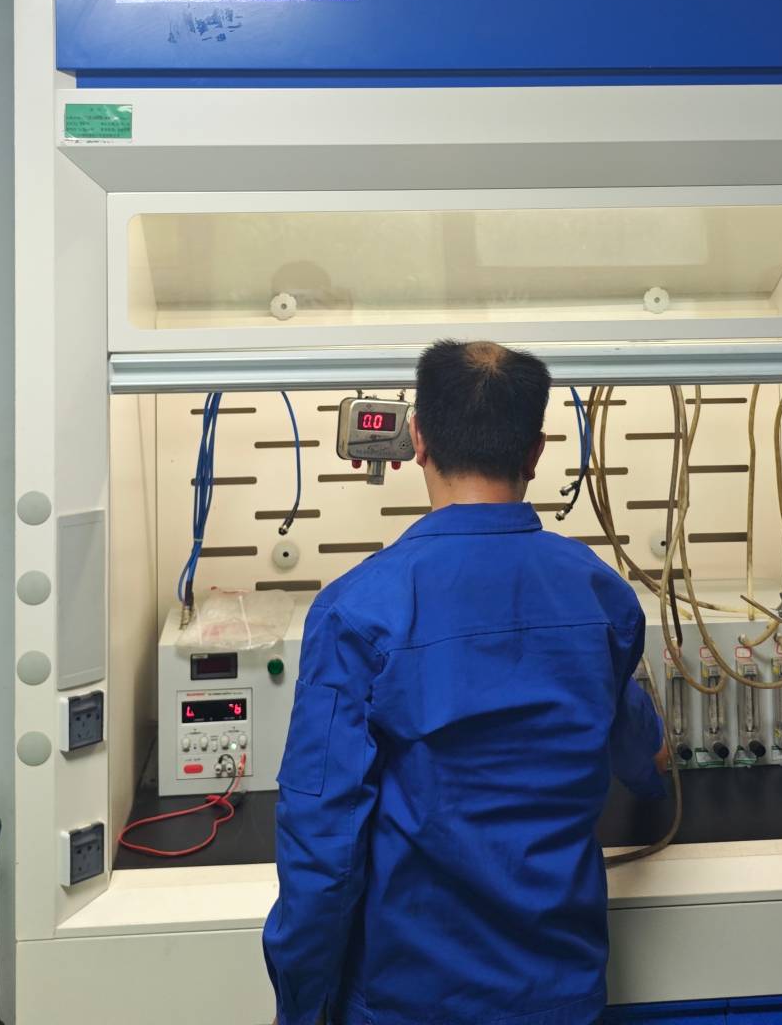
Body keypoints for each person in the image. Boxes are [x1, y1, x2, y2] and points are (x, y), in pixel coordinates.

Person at [263, 340, 669, 1025]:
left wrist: (301, 1004)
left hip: (410, 998)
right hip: (561, 993)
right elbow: (637, 745)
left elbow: (321, 847)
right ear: (535, 452)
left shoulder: (357, 611)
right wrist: (654, 772)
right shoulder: (601, 595)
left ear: (418, 440)